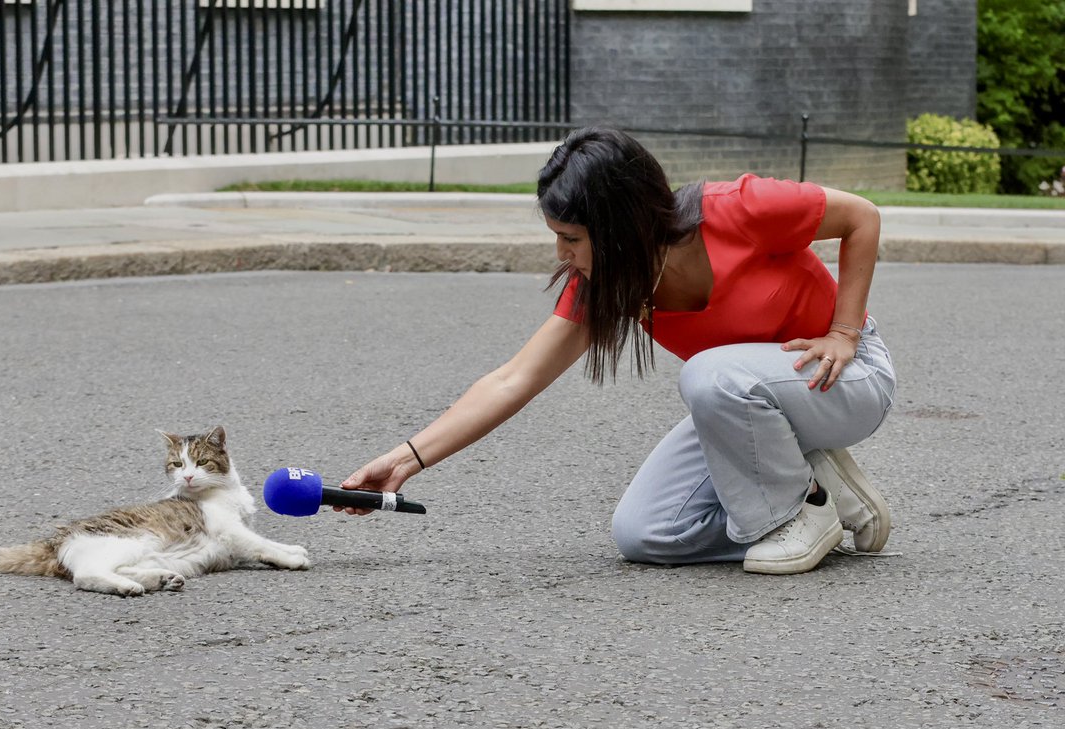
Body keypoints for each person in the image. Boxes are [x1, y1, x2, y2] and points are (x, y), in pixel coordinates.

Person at [336, 127, 897, 575]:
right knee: (647, 533)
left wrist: (844, 333)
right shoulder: (609, 283)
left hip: (842, 376)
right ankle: (816, 491)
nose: (561, 252)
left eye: (573, 237)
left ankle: (798, 516)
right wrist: (406, 459)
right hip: (745, 405)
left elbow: (861, 216)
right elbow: (513, 379)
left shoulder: (740, 209)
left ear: (624, 225)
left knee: (710, 375)